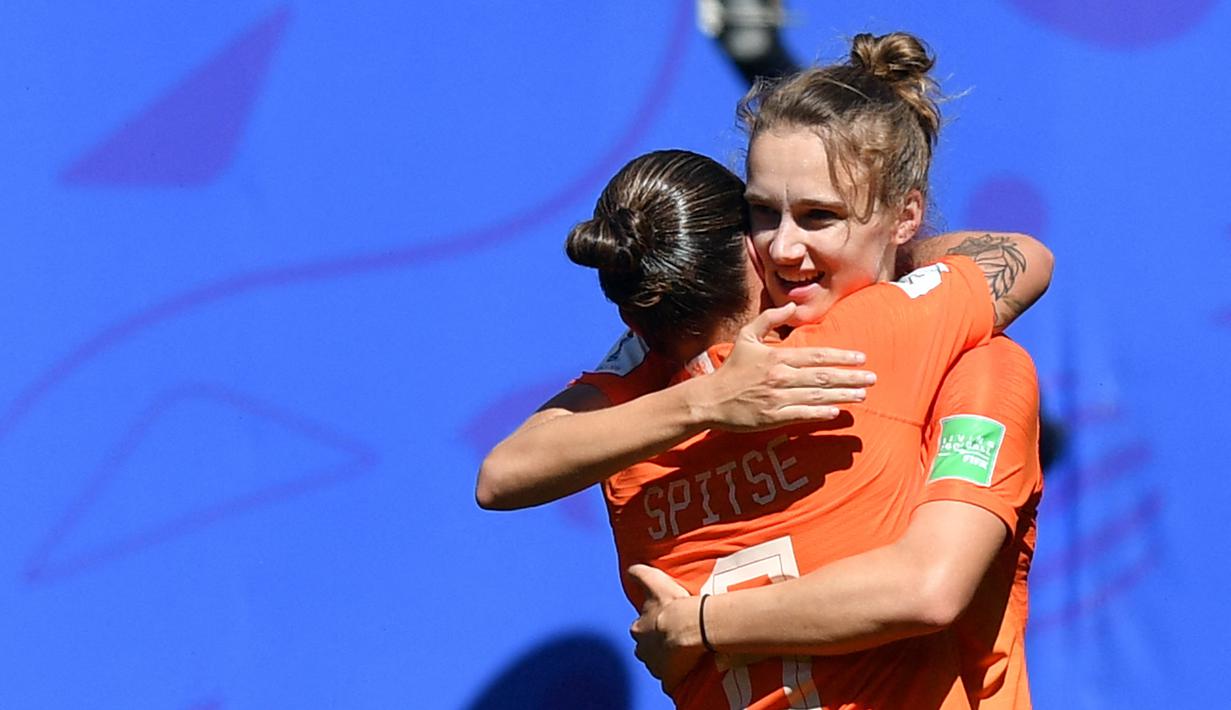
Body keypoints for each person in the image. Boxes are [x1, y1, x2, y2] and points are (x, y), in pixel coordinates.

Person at [478, 32, 1049, 709]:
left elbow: (928, 587)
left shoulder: (647, 395)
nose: (782, 246)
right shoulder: (923, 337)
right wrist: (715, 397)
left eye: (818, 216)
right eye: (760, 212)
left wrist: (695, 623)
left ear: (904, 216)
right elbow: (1023, 255)